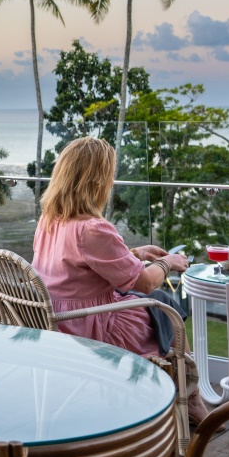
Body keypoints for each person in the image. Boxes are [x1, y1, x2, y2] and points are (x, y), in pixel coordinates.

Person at [31, 136, 207, 423]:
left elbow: (78, 266)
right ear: (96, 181)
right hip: (91, 327)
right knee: (165, 308)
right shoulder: (93, 228)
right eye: (109, 176)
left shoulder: (49, 219)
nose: (112, 183)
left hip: (55, 320)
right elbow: (145, 283)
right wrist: (167, 262)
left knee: (159, 304)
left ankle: (188, 396)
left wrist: (135, 253)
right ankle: (192, 399)